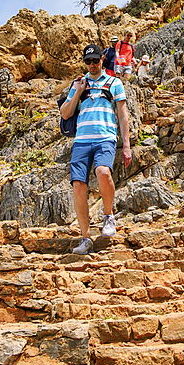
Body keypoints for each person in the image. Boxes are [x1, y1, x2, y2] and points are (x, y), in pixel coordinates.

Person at [59, 44, 131, 256]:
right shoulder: (78, 84)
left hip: (105, 138)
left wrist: (125, 145)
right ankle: (86, 238)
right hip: (81, 141)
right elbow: (65, 113)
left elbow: (123, 115)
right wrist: (78, 91)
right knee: (79, 186)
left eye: (95, 61)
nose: (92, 65)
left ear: (102, 60)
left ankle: (108, 216)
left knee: (103, 172)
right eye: (88, 61)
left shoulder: (114, 82)